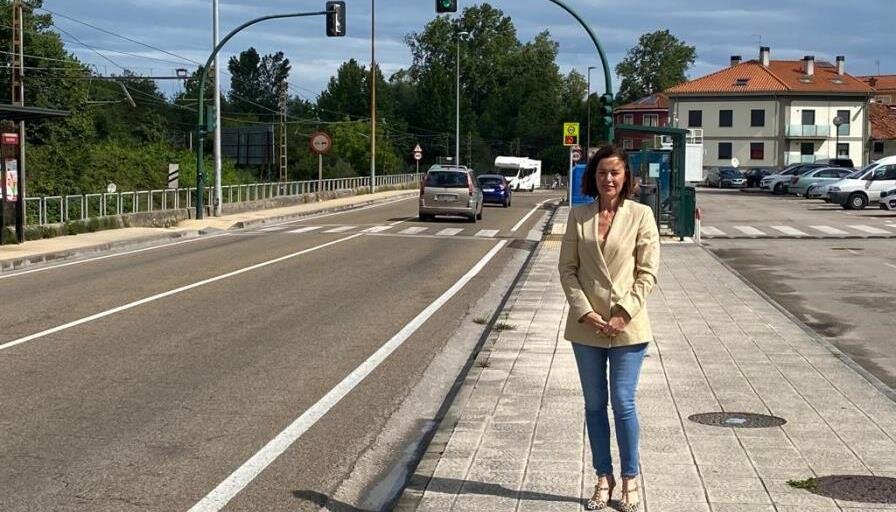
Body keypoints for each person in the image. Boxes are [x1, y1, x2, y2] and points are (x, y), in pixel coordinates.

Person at [557, 144, 660, 511]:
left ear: (626, 176)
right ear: (593, 177)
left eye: (615, 172)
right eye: (602, 172)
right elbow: (567, 269)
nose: (609, 179)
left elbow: (647, 273)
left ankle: (631, 478)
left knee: (623, 401)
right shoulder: (579, 215)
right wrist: (584, 311)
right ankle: (604, 476)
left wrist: (624, 313)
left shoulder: (641, 215)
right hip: (587, 326)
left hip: (627, 326)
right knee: (594, 405)